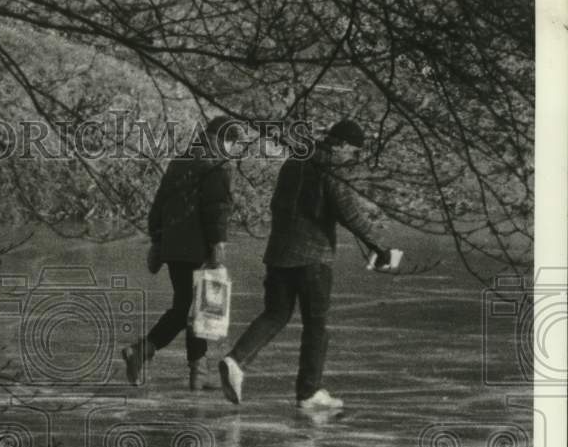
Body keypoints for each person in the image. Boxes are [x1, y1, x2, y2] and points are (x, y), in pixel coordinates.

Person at [218, 118, 392, 410]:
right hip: (313, 258)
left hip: (279, 253)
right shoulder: (331, 167)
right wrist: (380, 246)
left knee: (275, 314)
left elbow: (277, 204)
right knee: (316, 325)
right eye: (353, 152)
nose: (352, 158)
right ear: (342, 144)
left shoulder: (294, 162)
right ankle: (309, 392)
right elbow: (348, 211)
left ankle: (235, 360)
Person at [121, 115, 234, 391]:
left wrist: (158, 239)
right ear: (225, 140)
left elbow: (158, 205)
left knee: (188, 307)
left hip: (174, 247)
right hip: (199, 248)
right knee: (192, 310)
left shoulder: (179, 162)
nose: (232, 150)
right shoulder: (216, 165)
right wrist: (218, 243)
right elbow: (216, 209)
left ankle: (197, 371)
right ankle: (146, 351)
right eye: (233, 144)